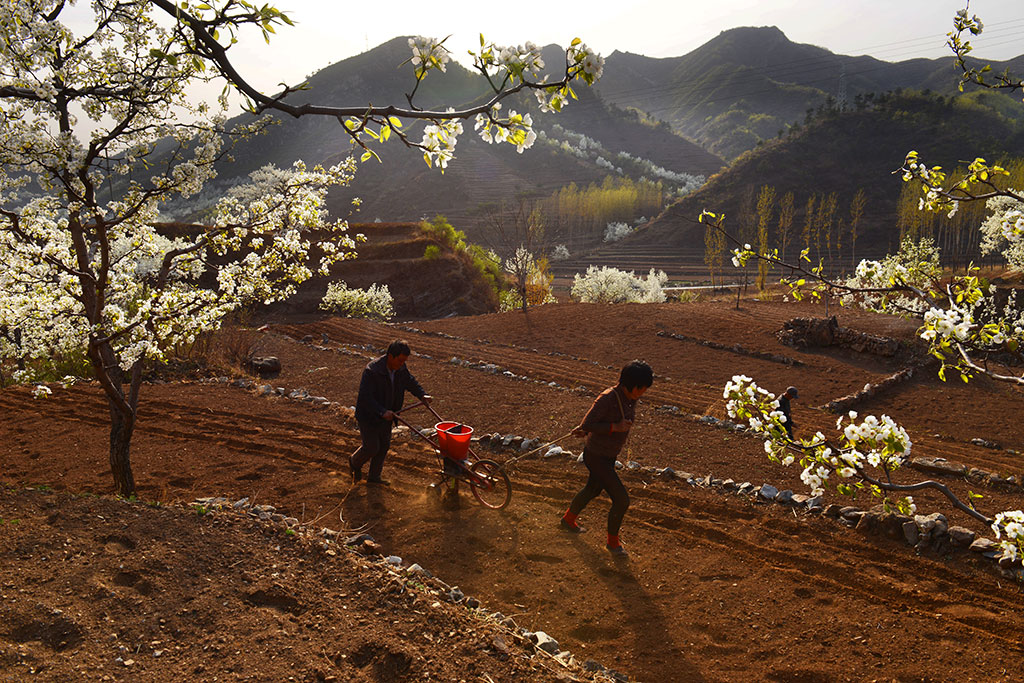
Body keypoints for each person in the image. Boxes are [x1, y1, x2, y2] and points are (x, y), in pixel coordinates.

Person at [559, 360, 654, 557]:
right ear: (632, 385)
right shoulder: (607, 398)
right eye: (642, 388)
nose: (643, 392)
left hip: (608, 455)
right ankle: (613, 544)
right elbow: (588, 423)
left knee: (592, 489)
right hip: (596, 456)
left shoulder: (630, 398)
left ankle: (568, 520)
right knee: (621, 500)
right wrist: (614, 427)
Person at [349, 340, 431, 484]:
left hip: (388, 414)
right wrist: (381, 411)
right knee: (372, 447)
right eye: (400, 360)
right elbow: (365, 397)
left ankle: (374, 478)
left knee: (384, 446)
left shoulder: (400, 368)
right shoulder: (372, 371)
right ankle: (354, 462)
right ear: (390, 356)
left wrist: (422, 395)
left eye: (404, 361)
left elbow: (410, 381)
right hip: (369, 415)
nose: (402, 364)